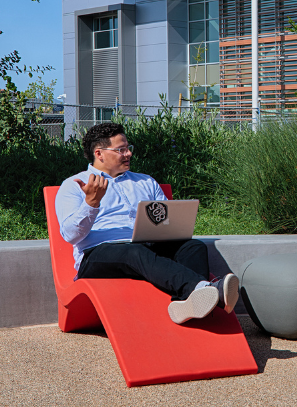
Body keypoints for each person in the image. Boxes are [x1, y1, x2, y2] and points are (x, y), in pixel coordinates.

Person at [55, 122, 238, 324]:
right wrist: (91, 203)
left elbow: (167, 221)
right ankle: (204, 289)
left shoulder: (146, 182)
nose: (128, 154)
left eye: (128, 148)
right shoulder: (74, 185)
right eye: (121, 150)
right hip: (96, 255)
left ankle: (185, 304)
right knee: (133, 252)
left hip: (146, 246)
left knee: (192, 246)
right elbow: (70, 235)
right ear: (99, 153)